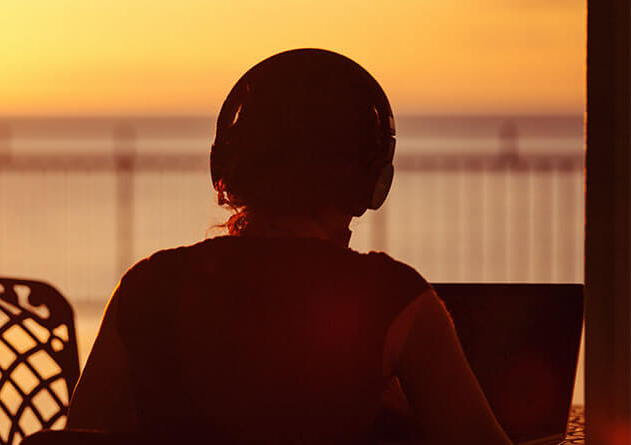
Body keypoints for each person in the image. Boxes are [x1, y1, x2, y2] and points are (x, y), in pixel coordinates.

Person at [65, 49, 512, 444]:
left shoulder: (146, 287)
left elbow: (83, 434)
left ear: (226, 163)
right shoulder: (394, 301)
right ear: (373, 180)